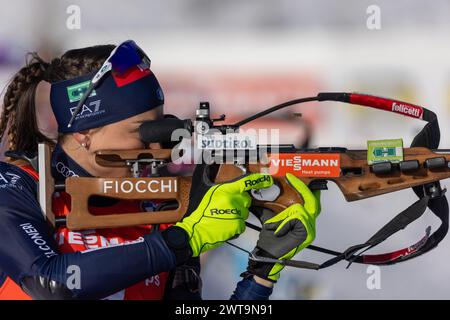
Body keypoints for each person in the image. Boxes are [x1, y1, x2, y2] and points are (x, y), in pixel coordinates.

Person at [0, 40, 321, 300]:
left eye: (161, 130)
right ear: (85, 132)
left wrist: (261, 275)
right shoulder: (17, 187)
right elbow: (50, 282)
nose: (156, 148)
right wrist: (183, 241)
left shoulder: (161, 209)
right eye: (142, 131)